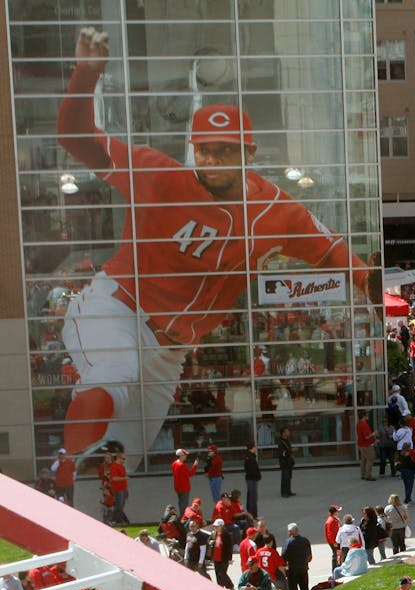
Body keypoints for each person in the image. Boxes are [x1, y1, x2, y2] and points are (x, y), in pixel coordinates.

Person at [54, 27, 371, 459]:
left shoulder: (278, 210)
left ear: (249, 153)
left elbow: (332, 249)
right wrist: (85, 75)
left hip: (172, 352)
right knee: (113, 371)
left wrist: (367, 281)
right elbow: (76, 138)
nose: (213, 159)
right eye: (205, 150)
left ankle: (96, 505)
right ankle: (60, 477)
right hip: (116, 308)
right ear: (193, 149)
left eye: (226, 150)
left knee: (123, 454)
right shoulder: (162, 176)